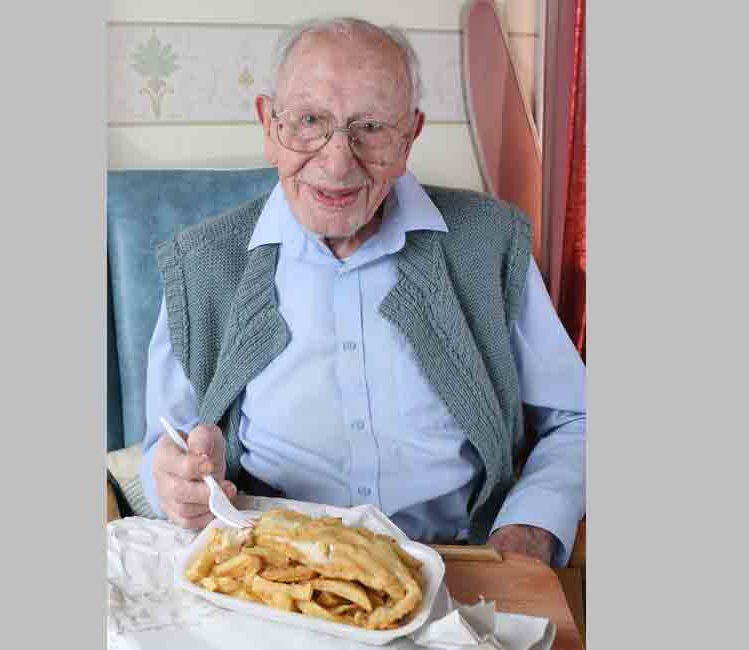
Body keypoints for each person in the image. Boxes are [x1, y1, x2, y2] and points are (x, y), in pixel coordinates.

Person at [139, 17, 586, 567]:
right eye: (309, 121)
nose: (336, 162)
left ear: (410, 137)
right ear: (268, 124)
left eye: (370, 127)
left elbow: (577, 419)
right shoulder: (202, 263)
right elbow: (163, 450)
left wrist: (530, 527)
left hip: (456, 565)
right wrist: (175, 484)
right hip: (269, 575)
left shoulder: (489, 245)